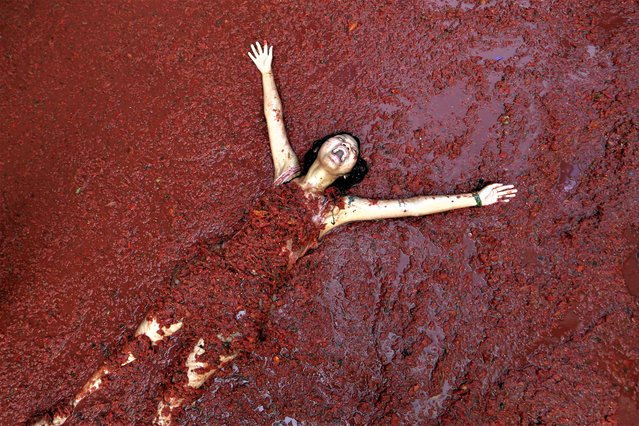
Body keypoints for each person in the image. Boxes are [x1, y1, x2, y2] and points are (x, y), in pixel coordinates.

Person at [35, 41, 517, 425]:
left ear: (349, 172)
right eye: (338, 141)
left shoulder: (338, 210)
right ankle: (64, 417)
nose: (344, 148)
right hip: (210, 275)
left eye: (349, 151)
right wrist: (267, 73)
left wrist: (474, 198)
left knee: (178, 395)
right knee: (131, 353)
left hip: (246, 305)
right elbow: (275, 121)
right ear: (320, 149)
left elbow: (407, 208)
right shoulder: (286, 173)